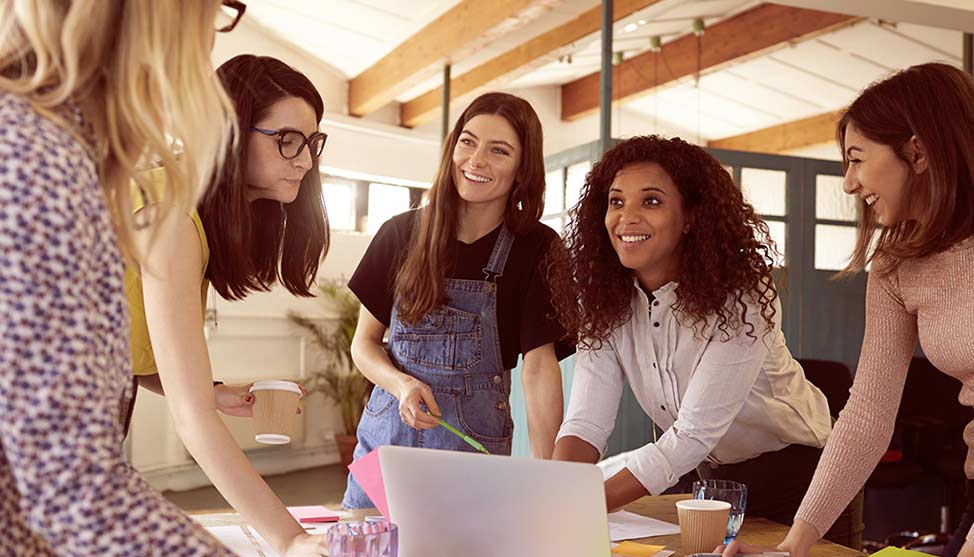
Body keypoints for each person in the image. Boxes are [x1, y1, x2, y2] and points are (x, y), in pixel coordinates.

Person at [0, 1, 240, 555]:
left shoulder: (51, 152)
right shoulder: (36, 163)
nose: (211, 38)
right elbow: (75, 489)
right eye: (213, 10)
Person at [548, 135, 859, 546]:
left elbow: (691, 435)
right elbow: (586, 423)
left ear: (690, 216)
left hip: (801, 476)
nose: (627, 218)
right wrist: (553, 493)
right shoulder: (607, 302)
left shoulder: (740, 298)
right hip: (714, 479)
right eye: (617, 201)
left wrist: (582, 503)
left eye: (652, 202)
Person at [721, 62, 974, 557]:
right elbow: (865, 417)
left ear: (917, 151)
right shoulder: (896, 266)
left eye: (857, 159)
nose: (848, 183)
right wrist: (793, 546)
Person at [125, 54, 330, 556]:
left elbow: (123, 351)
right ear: (231, 132)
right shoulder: (171, 218)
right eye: (288, 140)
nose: (305, 160)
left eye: (312, 143)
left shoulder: (184, 212)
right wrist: (291, 539)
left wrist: (210, 391)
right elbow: (192, 421)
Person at [342, 92, 572, 509]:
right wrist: (402, 384)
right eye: (468, 142)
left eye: (498, 150)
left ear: (523, 169)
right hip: (385, 447)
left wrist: (548, 477)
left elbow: (539, 368)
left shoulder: (538, 248)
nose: (477, 160)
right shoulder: (400, 233)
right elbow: (364, 344)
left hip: (472, 458)